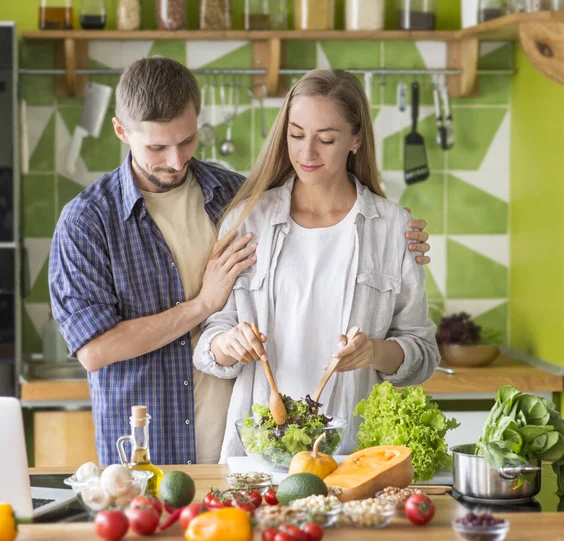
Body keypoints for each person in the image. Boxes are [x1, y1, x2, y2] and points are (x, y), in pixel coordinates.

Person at [49, 57, 432, 466]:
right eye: (157, 148)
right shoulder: (88, 220)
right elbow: (94, 350)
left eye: (188, 141)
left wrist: (394, 232)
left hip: (238, 447)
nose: (177, 161)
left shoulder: (236, 198)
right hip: (149, 445)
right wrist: (203, 306)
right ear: (122, 132)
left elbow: (324, 209)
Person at [194, 69, 440, 463]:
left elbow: (422, 354)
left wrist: (374, 352)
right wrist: (228, 344)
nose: (306, 153)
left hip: (352, 458)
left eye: (326, 139)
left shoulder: (393, 227)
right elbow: (211, 340)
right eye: (296, 135)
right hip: (257, 456)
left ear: (356, 139)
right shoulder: (247, 220)